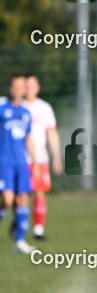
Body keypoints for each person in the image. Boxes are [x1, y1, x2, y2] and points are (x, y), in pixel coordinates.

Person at [0, 74, 38, 254]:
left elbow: (28, 138)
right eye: (13, 86)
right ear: (10, 88)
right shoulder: (2, 108)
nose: (16, 90)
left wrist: (35, 161)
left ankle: (20, 241)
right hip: (4, 161)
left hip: (21, 163)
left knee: (22, 199)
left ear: (24, 90)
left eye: (20, 87)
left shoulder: (25, 113)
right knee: (7, 200)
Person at [22, 74, 62, 240]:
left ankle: (38, 230)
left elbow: (51, 133)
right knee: (20, 196)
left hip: (40, 158)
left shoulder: (44, 108)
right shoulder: (16, 106)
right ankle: (19, 225)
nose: (29, 89)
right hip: (20, 158)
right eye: (26, 86)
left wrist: (57, 157)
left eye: (32, 86)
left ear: (38, 87)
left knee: (38, 193)